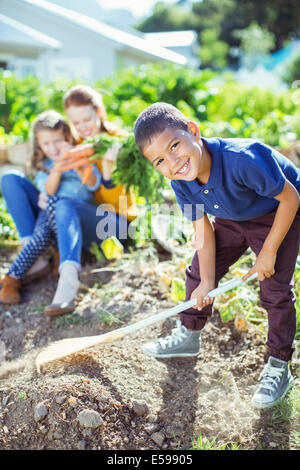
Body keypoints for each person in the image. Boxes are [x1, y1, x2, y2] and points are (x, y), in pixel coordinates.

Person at [134, 102, 300, 410]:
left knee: (274, 289)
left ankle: (279, 364)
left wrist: (268, 250)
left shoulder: (242, 159)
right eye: (159, 160)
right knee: (198, 273)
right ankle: (189, 334)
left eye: (174, 146)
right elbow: (203, 231)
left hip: (279, 213)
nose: (172, 162)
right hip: (233, 218)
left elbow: (291, 197)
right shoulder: (181, 183)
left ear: (193, 131)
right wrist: (207, 280)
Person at [41, 84, 138, 316]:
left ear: (100, 112)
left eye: (87, 120)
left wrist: (107, 172)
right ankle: (62, 271)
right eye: (76, 123)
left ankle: (67, 284)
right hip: (91, 223)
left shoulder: (121, 141)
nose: (83, 128)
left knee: (65, 204)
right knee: (62, 203)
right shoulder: (78, 147)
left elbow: (119, 199)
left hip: (121, 226)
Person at [0, 110, 102, 307]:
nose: (53, 148)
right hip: (50, 221)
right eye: (46, 144)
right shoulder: (43, 164)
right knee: (48, 202)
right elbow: (48, 189)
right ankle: (31, 261)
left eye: (57, 141)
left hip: (76, 222)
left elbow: (93, 184)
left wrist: (74, 162)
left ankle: (15, 274)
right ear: (39, 145)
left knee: (57, 203)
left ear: (66, 137)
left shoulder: (80, 154)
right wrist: (58, 164)